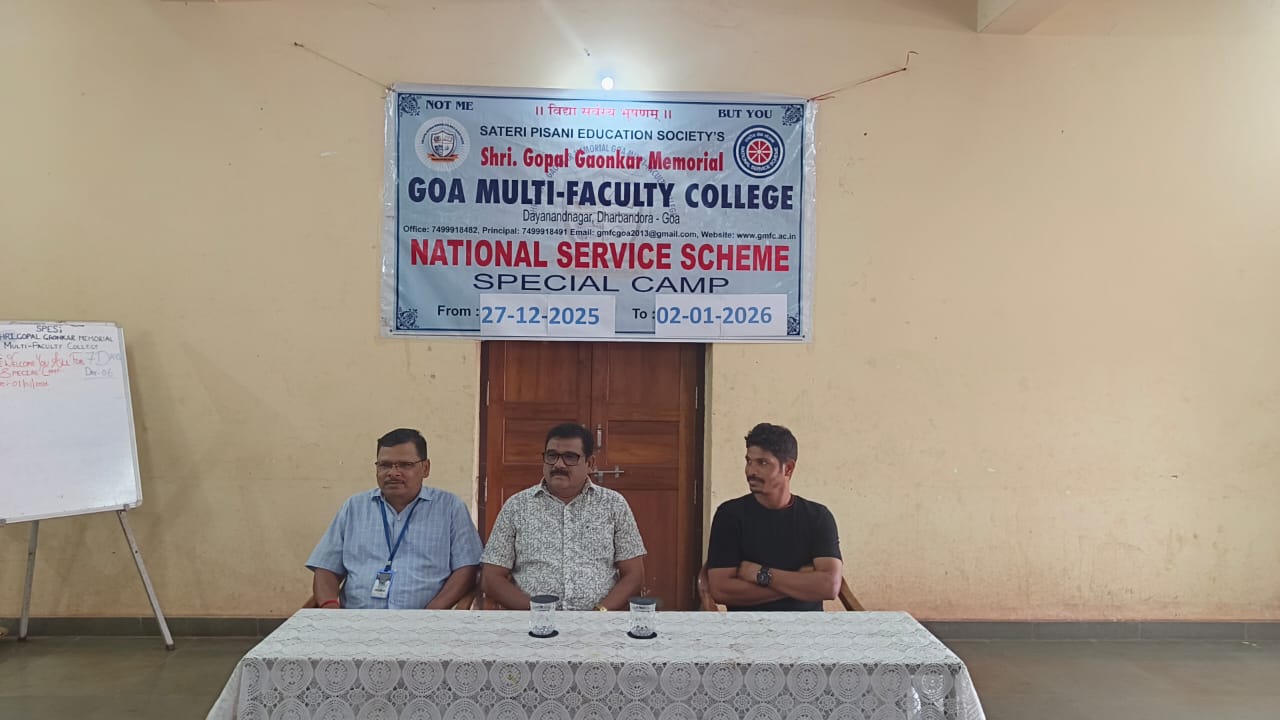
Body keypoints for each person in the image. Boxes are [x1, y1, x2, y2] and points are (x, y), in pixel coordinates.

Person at [306, 428, 482, 609]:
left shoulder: (450, 507)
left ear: (425, 468)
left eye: (405, 465)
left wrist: (434, 610)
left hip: (423, 618)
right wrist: (329, 607)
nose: (393, 473)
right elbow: (325, 567)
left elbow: (467, 568)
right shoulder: (354, 507)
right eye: (385, 465)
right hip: (356, 617)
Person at [481, 422, 647, 610]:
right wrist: (537, 612)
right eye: (552, 456)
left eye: (570, 457)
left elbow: (634, 575)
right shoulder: (517, 506)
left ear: (590, 464)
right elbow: (491, 577)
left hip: (598, 621)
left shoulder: (613, 504)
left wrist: (600, 613)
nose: (558, 464)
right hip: (532, 620)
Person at [706, 422, 843, 610]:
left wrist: (760, 574)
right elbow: (721, 590)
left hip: (806, 627)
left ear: (788, 468)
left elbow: (829, 586)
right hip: (748, 626)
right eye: (749, 461)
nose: (751, 471)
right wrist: (801, 582)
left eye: (763, 463)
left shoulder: (818, 517)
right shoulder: (729, 515)